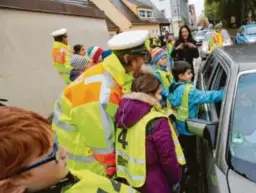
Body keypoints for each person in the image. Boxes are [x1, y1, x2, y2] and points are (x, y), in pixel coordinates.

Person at [51, 30, 150, 178]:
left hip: (88, 147)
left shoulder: (115, 72)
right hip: (86, 160)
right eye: (142, 58)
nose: (144, 62)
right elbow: (101, 143)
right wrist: (114, 170)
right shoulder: (101, 93)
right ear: (129, 58)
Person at [0, 106, 138, 193]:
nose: (64, 151)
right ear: (10, 188)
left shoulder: (61, 175)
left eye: (57, 143)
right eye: (53, 154)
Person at [115, 72, 185, 193]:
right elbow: (168, 157)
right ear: (148, 95)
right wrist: (176, 178)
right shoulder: (156, 120)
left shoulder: (122, 114)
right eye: (158, 93)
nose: (160, 98)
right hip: (156, 182)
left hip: (130, 178)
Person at [167, 61, 224, 192]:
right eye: (189, 73)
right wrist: (225, 92)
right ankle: (191, 177)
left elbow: (168, 95)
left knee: (186, 151)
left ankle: (187, 168)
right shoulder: (189, 91)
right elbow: (208, 96)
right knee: (192, 155)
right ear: (181, 76)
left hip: (180, 127)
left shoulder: (174, 87)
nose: (192, 75)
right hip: (190, 129)